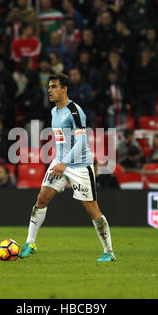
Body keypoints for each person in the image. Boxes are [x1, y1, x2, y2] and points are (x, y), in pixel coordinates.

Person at [19, 73, 116, 262]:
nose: (49, 90)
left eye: (54, 86)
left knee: (92, 209)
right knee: (42, 198)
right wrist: (59, 161)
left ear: (64, 89)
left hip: (80, 166)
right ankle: (30, 243)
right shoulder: (54, 111)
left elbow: (81, 142)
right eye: (49, 87)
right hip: (59, 162)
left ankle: (109, 252)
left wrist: (65, 163)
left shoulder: (75, 111)